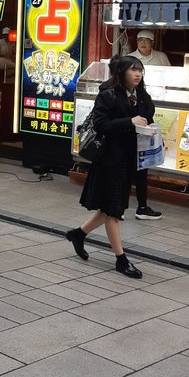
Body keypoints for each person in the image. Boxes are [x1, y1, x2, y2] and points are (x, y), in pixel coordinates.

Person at [66, 55, 153, 279]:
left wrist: (147, 122)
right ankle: (121, 259)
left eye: (140, 70)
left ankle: (78, 234)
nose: (137, 74)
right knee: (114, 211)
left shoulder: (140, 94)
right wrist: (129, 122)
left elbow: (148, 113)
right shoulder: (109, 93)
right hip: (109, 159)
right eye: (133, 70)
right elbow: (100, 124)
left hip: (128, 159)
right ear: (122, 71)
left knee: (108, 207)